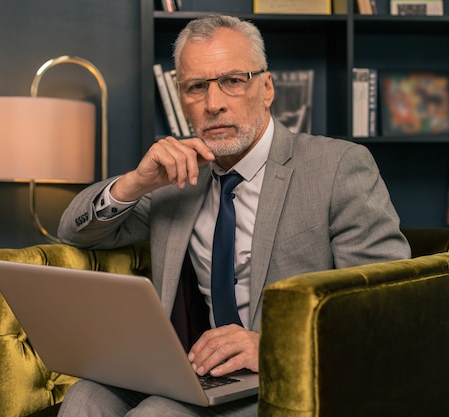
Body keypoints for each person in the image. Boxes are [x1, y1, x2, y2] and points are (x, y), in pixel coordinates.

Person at [57, 14, 411, 417]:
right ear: (181, 98)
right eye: (196, 87)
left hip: (292, 373)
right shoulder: (176, 179)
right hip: (197, 370)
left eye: (233, 80)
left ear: (266, 87)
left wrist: (272, 346)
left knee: (156, 414)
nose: (214, 103)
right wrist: (136, 183)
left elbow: (388, 309)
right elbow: (75, 231)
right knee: (83, 398)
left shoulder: (338, 168)